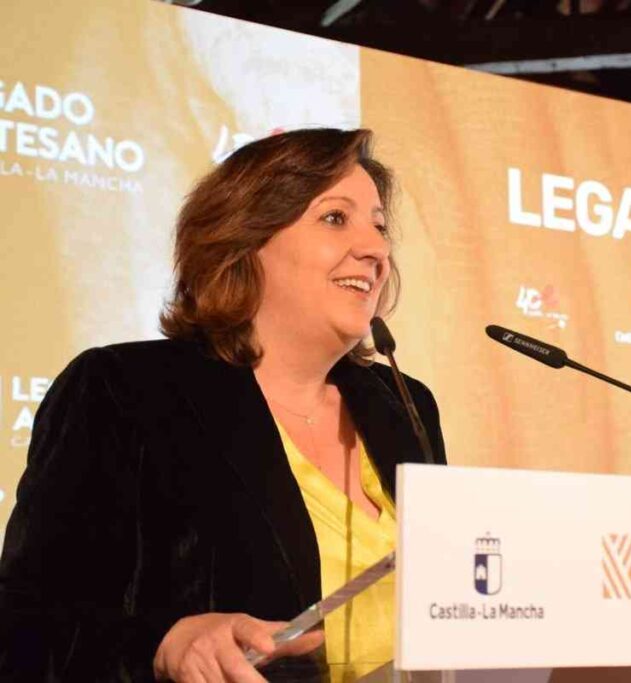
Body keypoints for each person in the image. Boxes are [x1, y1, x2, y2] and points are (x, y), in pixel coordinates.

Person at [0, 128, 445, 681]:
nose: (376, 249)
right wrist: (163, 646)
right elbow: (25, 627)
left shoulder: (403, 405)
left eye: (379, 226)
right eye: (335, 218)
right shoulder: (125, 391)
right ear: (245, 241)